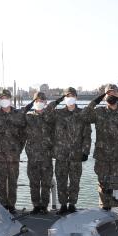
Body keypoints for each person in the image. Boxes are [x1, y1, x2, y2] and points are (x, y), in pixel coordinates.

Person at [82, 84, 118, 209]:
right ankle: (104, 210)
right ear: (104, 96)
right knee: (103, 185)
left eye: (114, 93)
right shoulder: (99, 112)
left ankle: (115, 212)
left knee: (117, 186)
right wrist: (95, 101)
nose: (111, 96)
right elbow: (83, 116)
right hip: (102, 156)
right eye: (108, 93)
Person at [50, 87, 91, 215]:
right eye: (67, 96)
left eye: (72, 95)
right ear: (64, 98)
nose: (70, 98)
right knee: (61, 180)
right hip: (61, 154)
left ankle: (72, 204)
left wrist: (86, 152)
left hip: (76, 155)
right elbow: (46, 113)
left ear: (76, 97)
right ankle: (63, 205)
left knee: (75, 181)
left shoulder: (82, 113)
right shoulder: (57, 114)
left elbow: (87, 135)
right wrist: (57, 101)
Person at [0, 89, 28, 214]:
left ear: (10, 99)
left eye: (6, 98)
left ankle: (11, 206)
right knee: (0, 183)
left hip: (13, 156)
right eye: (1, 98)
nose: (4, 100)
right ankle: (3, 206)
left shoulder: (18, 114)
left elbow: (23, 134)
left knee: (12, 182)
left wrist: (17, 150)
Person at [25, 91, 62, 214]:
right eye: (37, 101)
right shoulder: (28, 116)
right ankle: (36, 206)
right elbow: (17, 118)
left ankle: (44, 206)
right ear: (33, 102)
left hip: (46, 156)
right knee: (34, 183)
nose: (39, 103)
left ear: (45, 103)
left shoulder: (51, 117)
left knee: (46, 183)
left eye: (42, 101)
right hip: (32, 157)